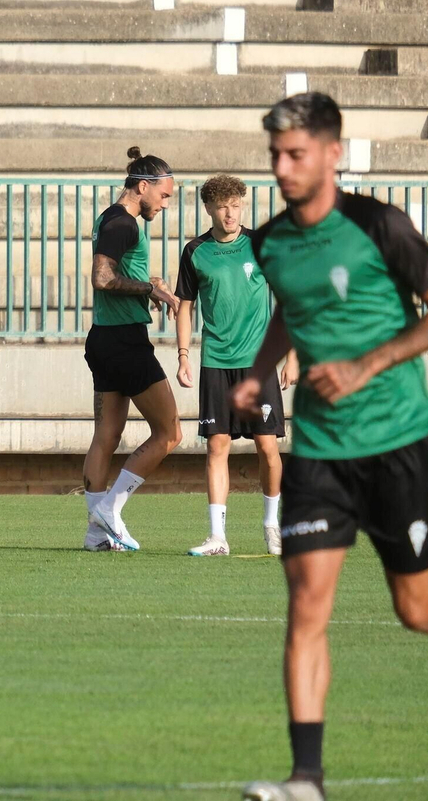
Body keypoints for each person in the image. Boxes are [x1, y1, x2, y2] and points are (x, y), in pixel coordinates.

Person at [235, 93, 428, 801]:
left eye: (295, 155)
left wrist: (365, 365)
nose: (282, 168)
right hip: (318, 449)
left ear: (332, 154)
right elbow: (296, 305)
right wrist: (260, 371)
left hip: (398, 442)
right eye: (274, 156)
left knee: (418, 612)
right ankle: (306, 780)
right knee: (306, 605)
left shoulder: (381, 226)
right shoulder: (269, 241)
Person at [174, 174, 297, 557]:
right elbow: (185, 306)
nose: (230, 213)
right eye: (223, 206)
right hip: (216, 362)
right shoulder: (195, 251)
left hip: (258, 365)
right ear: (209, 209)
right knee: (217, 447)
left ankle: (272, 526)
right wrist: (182, 355)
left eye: (236, 205)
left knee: (267, 448)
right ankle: (217, 537)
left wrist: (292, 355)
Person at [83, 147, 183, 552]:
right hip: (125, 342)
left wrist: (146, 280)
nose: (164, 203)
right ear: (143, 187)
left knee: (107, 433)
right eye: (163, 195)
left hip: (105, 339)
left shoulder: (110, 217)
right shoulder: (124, 223)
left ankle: (95, 535)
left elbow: (120, 272)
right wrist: (151, 289)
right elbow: (103, 278)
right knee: (170, 432)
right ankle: (110, 509)